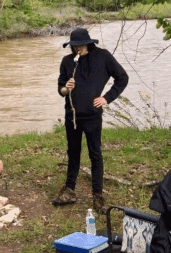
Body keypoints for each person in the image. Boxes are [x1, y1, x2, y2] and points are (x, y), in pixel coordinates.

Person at [53, 28, 129, 213]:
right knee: (73, 152)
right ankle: (70, 190)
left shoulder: (102, 57)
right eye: (74, 46)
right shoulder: (67, 61)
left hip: (92, 115)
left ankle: (98, 196)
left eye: (80, 45)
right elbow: (60, 89)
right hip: (72, 116)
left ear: (88, 43)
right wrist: (66, 88)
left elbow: (122, 77)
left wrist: (106, 98)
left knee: (95, 154)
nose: (77, 49)